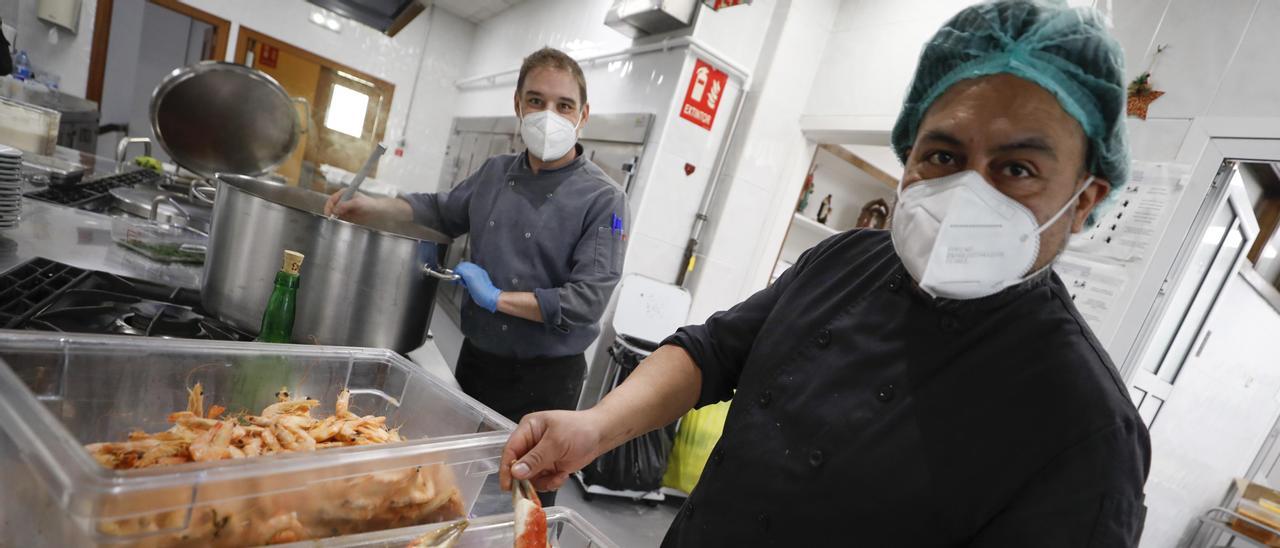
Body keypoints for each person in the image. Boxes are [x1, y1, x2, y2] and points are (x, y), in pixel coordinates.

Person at [499, 1, 1150, 545]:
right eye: (943, 154)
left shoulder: (1085, 431)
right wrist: (595, 426)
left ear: (1084, 199)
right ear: (908, 157)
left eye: (1017, 168)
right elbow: (711, 351)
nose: (969, 193)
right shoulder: (845, 260)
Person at [325, 47, 627, 504]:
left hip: (546, 381)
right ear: (518, 106)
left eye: (564, 105)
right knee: (452, 486)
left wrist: (495, 298)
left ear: (583, 116)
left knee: (520, 502)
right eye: (536, 100)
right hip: (478, 362)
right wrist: (370, 206)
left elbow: (586, 301)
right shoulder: (494, 174)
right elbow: (439, 211)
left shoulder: (604, 199)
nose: (549, 115)